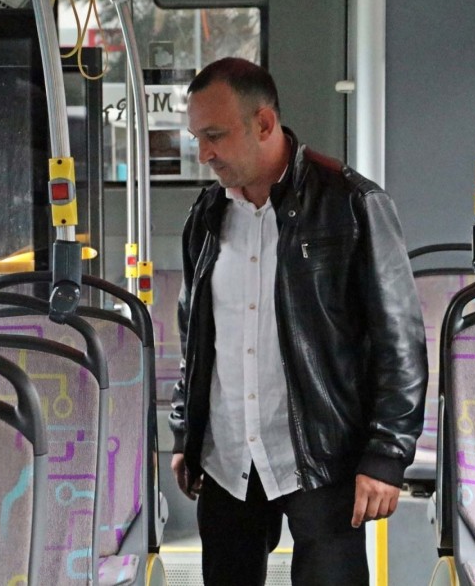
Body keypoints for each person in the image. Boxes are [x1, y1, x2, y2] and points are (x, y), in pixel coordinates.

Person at [169, 57, 428, 585]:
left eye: (214, 136)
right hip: (227, 457)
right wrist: (185, 433)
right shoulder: (206, 216)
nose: (204, 154)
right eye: (198, 138)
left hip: (322, 453)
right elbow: (194, 337)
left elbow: (399, 342)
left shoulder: (352, 204)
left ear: (264, 124)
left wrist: (386, 454)